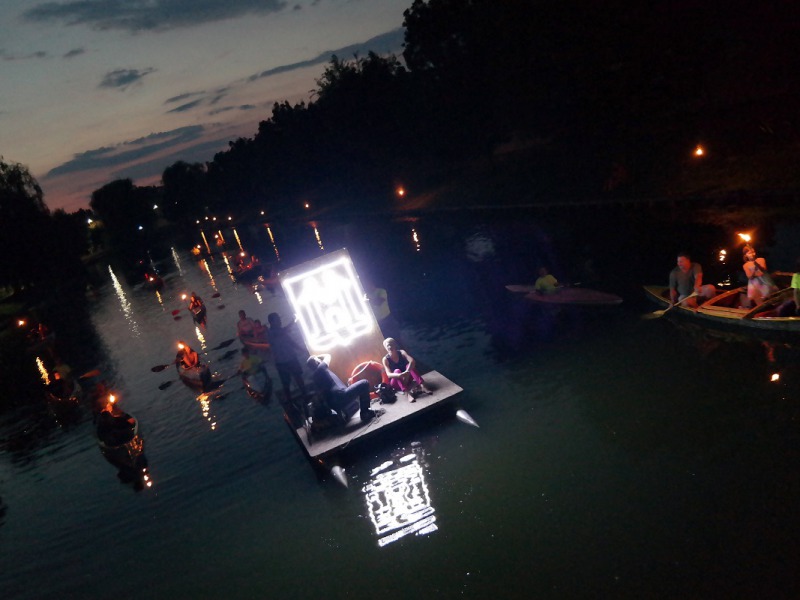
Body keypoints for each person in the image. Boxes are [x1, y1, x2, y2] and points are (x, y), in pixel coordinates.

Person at [307, 354, 377, 422]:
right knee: (364, 383)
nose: (320, 360)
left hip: (333, 405)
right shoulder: (321, 367)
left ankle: (342, 418)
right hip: (341, 395)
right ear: (316, 362)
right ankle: (365, 412)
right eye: (318, 359)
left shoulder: (314, 378)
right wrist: (316, 356)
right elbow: (328, 355)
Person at [267, 313, 308, 402]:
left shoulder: (281, 331)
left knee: (298, 377)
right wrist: (293, 321)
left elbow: (291, 342)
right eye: (277, 319)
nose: (279, 321)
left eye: (279, 318)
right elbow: (282, 332)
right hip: (281, 362)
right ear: (271, 322)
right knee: (286, 382)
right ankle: (289, 401)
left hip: (291, 358)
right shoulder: (270, 333)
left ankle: (305, 395)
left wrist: (303, 350)